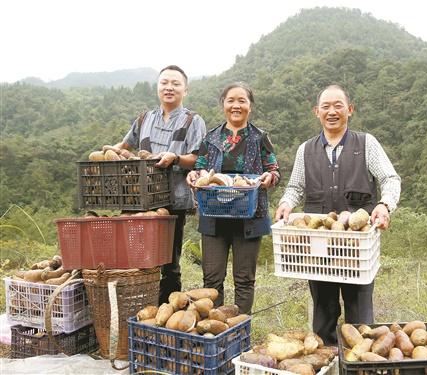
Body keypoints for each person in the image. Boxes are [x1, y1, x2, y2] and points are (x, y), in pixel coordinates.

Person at [275, 84, 401, 345]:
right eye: (326, 107)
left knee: (360, 316)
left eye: (338, 106)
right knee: (323, 312)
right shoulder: (305, 150)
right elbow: (296, 187)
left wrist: (384, 205)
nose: (332, 111)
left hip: (357, 247)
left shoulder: (366, 144)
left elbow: (390, 178)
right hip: (317, 246)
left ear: (350, 110)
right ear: (316, 112)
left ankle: (358, 365)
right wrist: (286, 203)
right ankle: (327, 361)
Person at [112, 65, 206, 304]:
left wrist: (175, 158)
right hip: (140, 201)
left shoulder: (192, 120)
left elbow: (198, 158)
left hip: (174, 201)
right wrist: (107, 153)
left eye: (175, 84)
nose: (169, 88)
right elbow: (124, 146)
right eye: (164, 83)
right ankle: (141, 308)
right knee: (139, 259)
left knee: (169, 262)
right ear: (157, 87)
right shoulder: (145, 118)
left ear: (185, 89)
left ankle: (168, 312)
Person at [186, 82, 280, 314]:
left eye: (242, 101)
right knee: (212, 280)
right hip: (214, 216)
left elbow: (274, 170)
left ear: (250, 106)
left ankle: (240, 331)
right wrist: (194, 175)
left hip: (249, 217)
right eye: (231, 100)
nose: (236, 105)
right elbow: (199, 167)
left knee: (244, 280)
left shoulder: (260, 138)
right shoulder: (212, 138)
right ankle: (214, 330)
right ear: (223, 104)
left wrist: (269, 178)